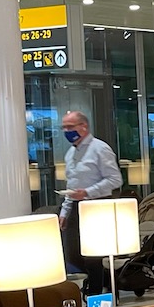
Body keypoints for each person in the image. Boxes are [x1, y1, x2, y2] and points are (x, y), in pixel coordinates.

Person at [59, 110, 123, 295]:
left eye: (70, 127)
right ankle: (113, 282)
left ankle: (96, 298)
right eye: (64, 127)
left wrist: (88, 192)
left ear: (83, 127)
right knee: (74, 255)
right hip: (77, 207)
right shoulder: (70, 153)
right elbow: (72, 186)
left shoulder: (100, 149)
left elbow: (115, 180)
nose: (66, 131)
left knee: (93, 257)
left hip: (97, 205)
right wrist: (64, 212)